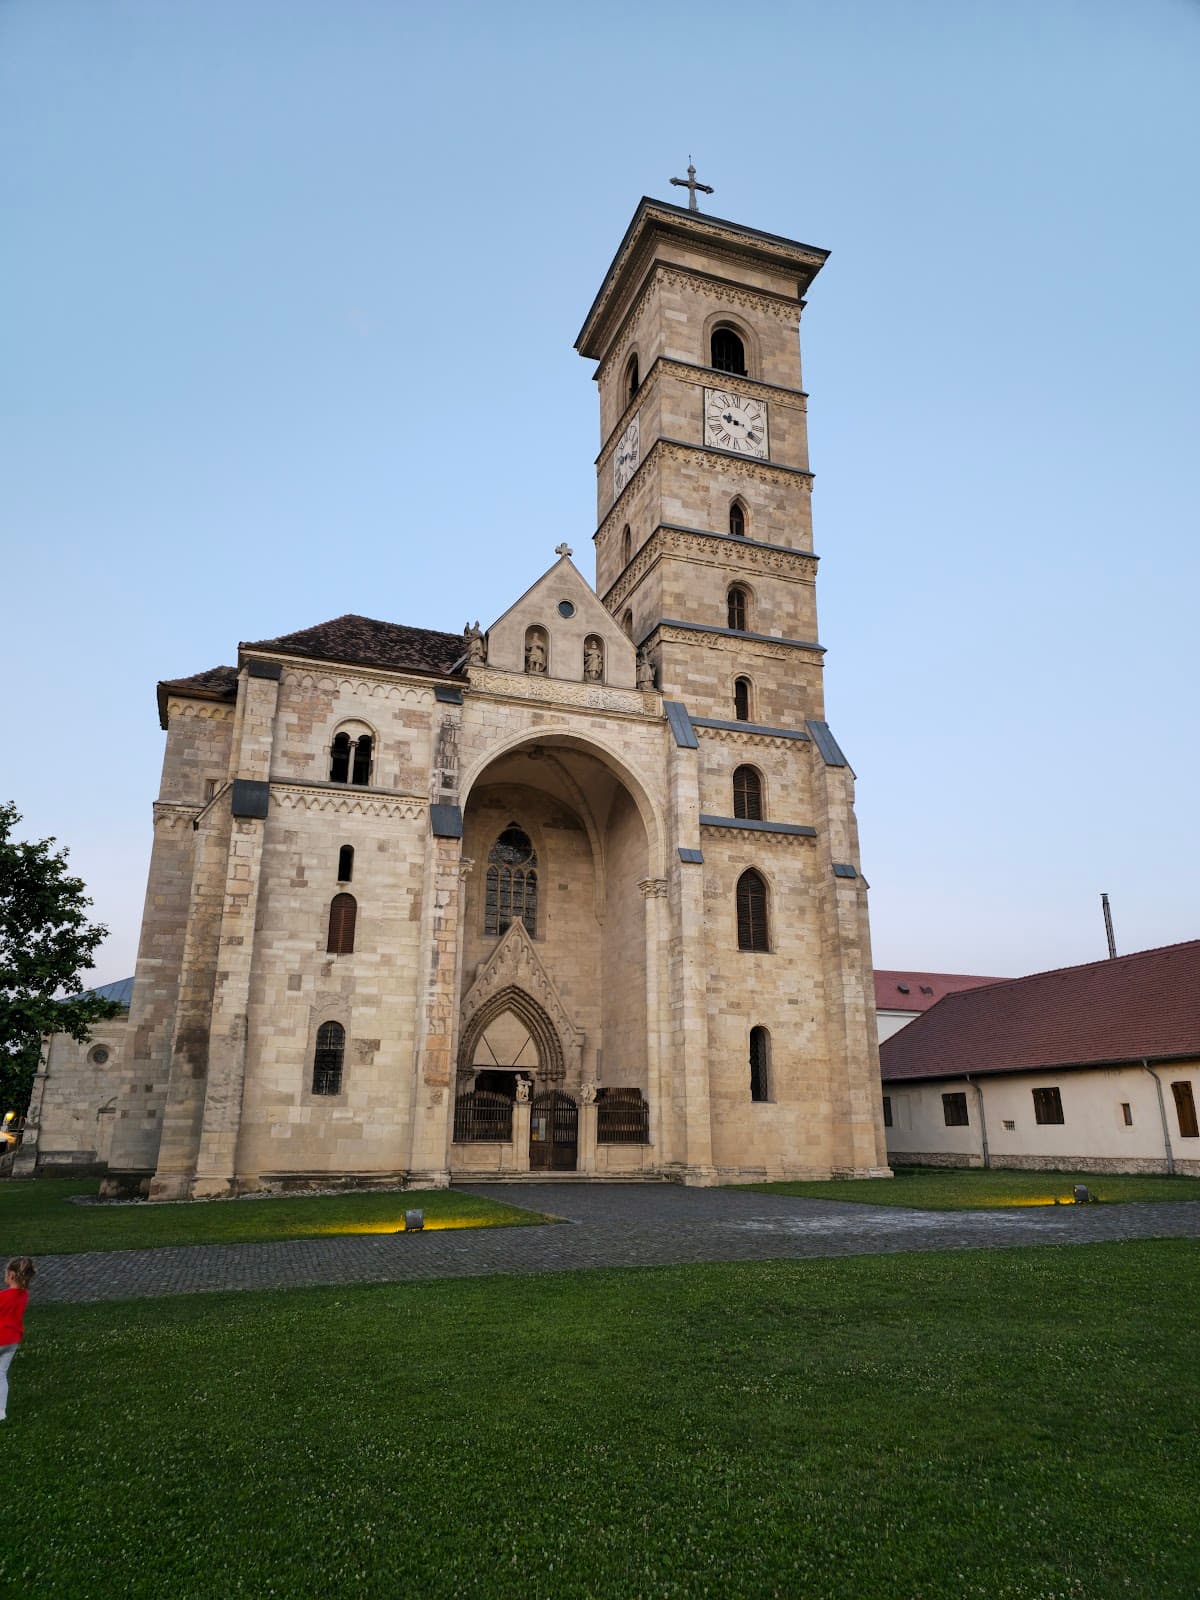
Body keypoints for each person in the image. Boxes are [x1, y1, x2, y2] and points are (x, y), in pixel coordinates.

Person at [0, 1256, 36, 1423]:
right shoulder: (23, 1295)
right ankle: (1, 1412)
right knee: (1, 1374)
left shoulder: (3, 1296)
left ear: (12, 1275)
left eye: (6, 1272)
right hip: (12, 1340)